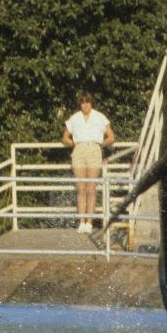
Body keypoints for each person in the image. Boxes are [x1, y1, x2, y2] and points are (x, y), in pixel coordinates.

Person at [61, 92, 115, 232]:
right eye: (83, 102)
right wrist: (74, 143)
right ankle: (81, 222)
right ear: (80, 104)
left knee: (91, 188)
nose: (85, 105)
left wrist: (99, 145)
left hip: (94, 151)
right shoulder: (74, 118)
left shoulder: (99, 117)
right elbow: (64, 138)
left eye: (88, 102)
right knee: (81, 188)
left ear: (92, 103)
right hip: (78, 152)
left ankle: (89, 222)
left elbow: (111, 137)